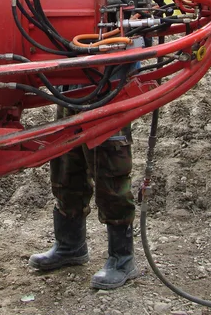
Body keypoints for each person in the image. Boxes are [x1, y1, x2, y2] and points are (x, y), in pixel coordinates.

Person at [29, 106, 137, 290]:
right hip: (68, 92)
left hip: (108, 96)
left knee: (110, 176)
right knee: (66, 169)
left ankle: (122, 259)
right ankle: (70, 246)